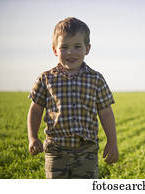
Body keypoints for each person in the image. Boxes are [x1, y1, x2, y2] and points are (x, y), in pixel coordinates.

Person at [27, 17, 118, 179]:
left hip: (87, 152)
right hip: (56, 151)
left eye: (77, 46)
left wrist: (112, 142)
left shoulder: (96, 79)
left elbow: (106, 112)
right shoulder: (46, 78)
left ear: (87, 49)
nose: (71, 52)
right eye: (64, 47)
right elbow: (35, 110)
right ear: (55, 50)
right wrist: (32, 137)